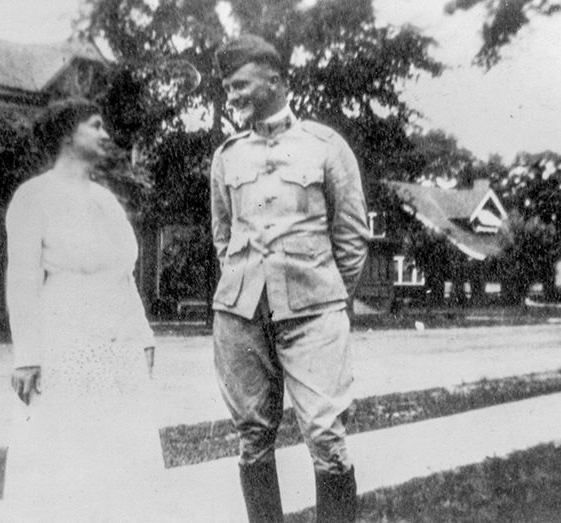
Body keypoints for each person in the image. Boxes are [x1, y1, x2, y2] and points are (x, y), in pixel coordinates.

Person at [210, 35, 370, 523]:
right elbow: (223, 237)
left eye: (240, 84)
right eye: (227, 87)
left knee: (325, 436)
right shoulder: (227, 156)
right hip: (241, 316)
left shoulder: (325, 146)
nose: (232, 95)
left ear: (275, 80)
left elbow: (352, 237)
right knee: (252, 438)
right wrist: (244, 289)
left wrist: (323, 293)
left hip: (313, 313)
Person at [2, 99, 166, 522]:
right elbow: (22, 278)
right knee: (68, 455)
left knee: (123, 457)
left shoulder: (107, 200)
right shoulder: (34, 196)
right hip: (67, 341)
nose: (105, 134)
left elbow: (123, 274)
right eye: (95, 125)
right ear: (66, 135)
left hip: (120, 346)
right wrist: (27, 356)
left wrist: (143, 337)